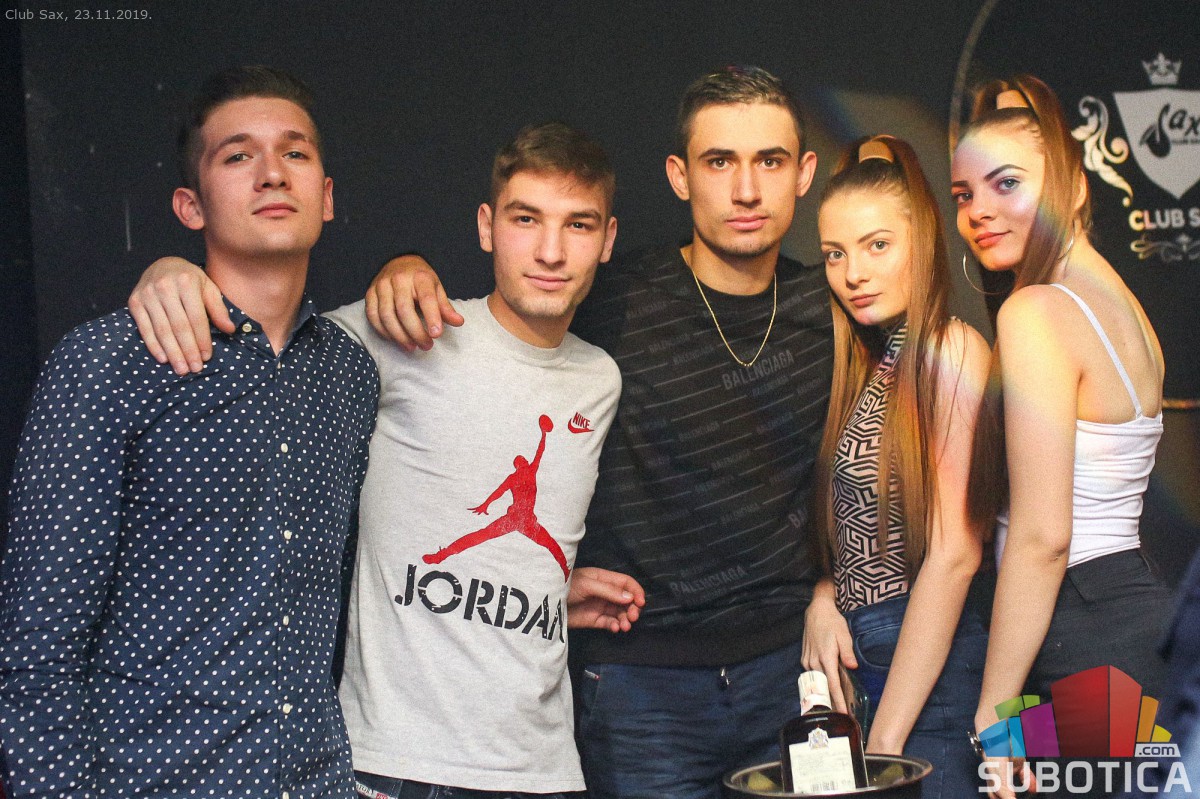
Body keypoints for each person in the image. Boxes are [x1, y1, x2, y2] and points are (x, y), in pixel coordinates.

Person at [335, 65, 829, 799]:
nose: (747, 189)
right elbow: (493, 319)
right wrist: (398, 268)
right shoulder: (594, 302)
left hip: (771, 679)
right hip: (625, 691)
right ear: (680, 175)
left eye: (771, 161)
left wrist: (829, 586)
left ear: (805, 173)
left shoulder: (827, 312)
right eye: (720, 161)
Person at [126, 122, 646, 798]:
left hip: (543, 765)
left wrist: (548, 587)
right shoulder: (406, 331)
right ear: (486, 227)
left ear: (607, 240)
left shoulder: (600, 380)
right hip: (403, 763)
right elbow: (266, 335)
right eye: (526, 219)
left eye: (578, 225)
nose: (551, 251)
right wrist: (169, 272)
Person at [0, 66, 381, 798]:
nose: (273, 173)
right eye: (238, 156)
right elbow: (37, 650)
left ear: (327, 196)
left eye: (295, 152)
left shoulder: (349, 375)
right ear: (191, 205)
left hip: (315, 780)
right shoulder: (110, 362)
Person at [952, 74, 1170, 798]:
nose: (980, 211)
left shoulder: (1036, 312)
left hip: (1083, 631)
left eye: (1007, 183)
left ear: (1073, 187)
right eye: (964, 195)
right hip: (1130, 618)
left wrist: (994, 711)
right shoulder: (1126, 308)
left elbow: (1044, 536)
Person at [801, 135, 990, 798]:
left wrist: (884, 743)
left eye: (877, 245)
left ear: (922, 242)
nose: (853, 272)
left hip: (929, 679)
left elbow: (955, 554)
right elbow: (855, 525)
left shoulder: (949, 351)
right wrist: (824, 597)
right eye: (835, 253)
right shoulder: (870, 362)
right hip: (869, 669)